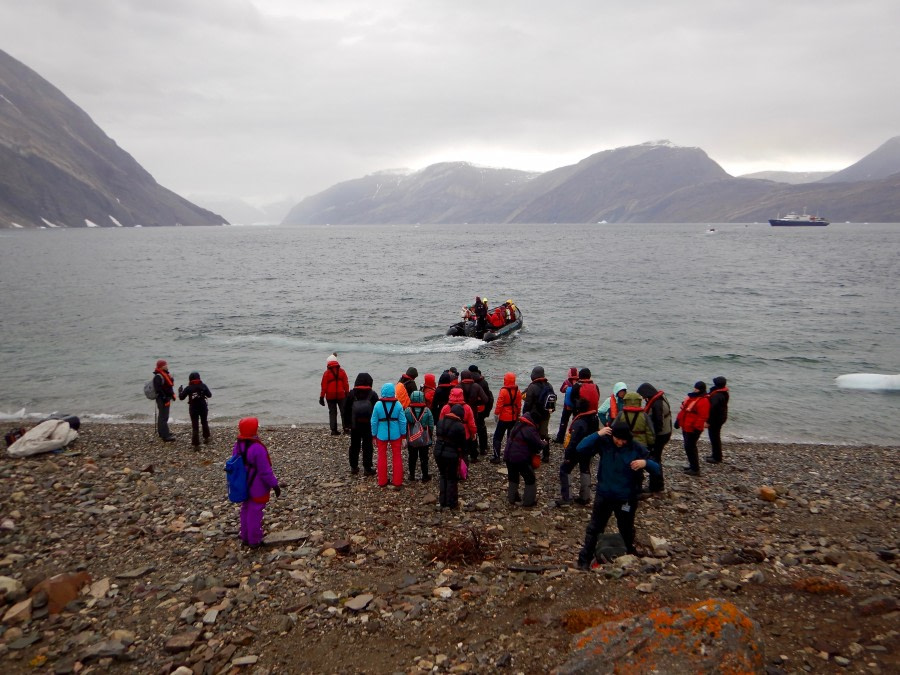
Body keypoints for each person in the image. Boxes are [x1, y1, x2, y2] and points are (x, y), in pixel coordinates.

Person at [574, 422, 660, 568]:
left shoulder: (637, 448)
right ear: (612, 435)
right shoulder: (605, 443)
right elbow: (580, 448)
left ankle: (629, 552)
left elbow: (657, 469)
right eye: (617, 438)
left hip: (626, 498)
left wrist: (645, 463)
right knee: (595, 528)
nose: (620, 442)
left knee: (626, 527)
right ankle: (585, 558)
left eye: (623, 440)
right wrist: (598, 434)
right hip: (604, 495)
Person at [232, 417, 281, 548]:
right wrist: (274, 484)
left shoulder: (238, 445)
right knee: (255, 511)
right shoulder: (257, 448)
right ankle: (254, 540)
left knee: (246, 508)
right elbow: (265, 471)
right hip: (257, 485)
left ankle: (245, 536)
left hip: (243, 483)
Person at [556, 398, 599, 506]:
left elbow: (573, 441)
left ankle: (567, 498)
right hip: (588, 450)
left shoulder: (579, 422)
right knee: (585, 470)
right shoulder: (594, 418)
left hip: (577, 450)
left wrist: (567, 455)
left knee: (564, 470)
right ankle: (585, 497)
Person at [503, 412, 547, 507]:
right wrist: (544, 443)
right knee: (530, 479)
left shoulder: (518, 424)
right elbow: (538, 445)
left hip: (508, 456)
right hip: (520, 458)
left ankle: (512, 498)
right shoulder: (530, 429)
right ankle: (528, 501)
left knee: (513, 477)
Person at [636, 382, 673, 493]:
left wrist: (651, 439)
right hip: (666, 432)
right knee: (656, 458)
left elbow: (658, 424)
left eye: (643, 395)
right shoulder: (660, 398)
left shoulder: (657, 404)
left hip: (661, 435)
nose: (643, 398)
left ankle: (656, 485)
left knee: (654, 459)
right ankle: (657, 484)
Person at [343, 372, 379, 476]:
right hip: (368, 426)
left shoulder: (351, 394)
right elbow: (377, 411)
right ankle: (367, 468)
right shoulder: (373, 394)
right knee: (367, 446)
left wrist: (346, 424)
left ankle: (354, 467)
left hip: (355, 426)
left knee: (354, 445)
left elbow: (345, 410)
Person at [371, 383, 407, 488]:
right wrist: (404, 435)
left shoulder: (377, 405)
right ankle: (397, 481)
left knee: (381, 456)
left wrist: (374, 435)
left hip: (381, 435)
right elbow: (402, 421)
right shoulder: (398, 405)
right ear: (393, 392)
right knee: (397, 456)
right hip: (396, 434)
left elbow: (373, 422)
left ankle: (382, 481)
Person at [433, 404, 467, 509]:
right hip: (451, 455)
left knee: (443, 475)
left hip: (438, 452)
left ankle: (442, 501)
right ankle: (451, 503)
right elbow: (462, 444)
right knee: (452, 478)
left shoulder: (440, 422)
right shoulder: (459, 426)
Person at [674, 381, 710, 476]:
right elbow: (683, 410)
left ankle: (695, 469)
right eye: (694, 388)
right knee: (687, 446)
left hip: (693, 428)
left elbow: (703, 416)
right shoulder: (691, 398)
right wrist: (678, 420)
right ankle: (692, 465)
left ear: (701, 389)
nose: (695, 390)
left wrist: (697, 428)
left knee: (690, 447)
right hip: (686, 426)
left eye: (697, 388)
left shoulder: (704, 401)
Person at [522, 366, 554, 461]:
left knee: (533, 434)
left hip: (534, 415)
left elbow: (528, 403)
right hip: (546, 414)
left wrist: (525, 415)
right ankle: (546, 455)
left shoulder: (532, 387)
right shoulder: (549, 385)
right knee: (544, 434)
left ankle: (533, 453)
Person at [459, 370, 489, 462]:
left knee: (462, 433)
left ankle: (463, 454)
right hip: (473, 412)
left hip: (460, 413)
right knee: (473, 432)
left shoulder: (458, 386)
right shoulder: (476, 386)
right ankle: (473, 456)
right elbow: (485, 400)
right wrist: (477, 401)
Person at [492, 372, 522, 463]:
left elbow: (499, 404)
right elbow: (519, 405)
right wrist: (518, 415)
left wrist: (496, 414)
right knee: (510, 437)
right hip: (513, 417)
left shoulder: (503, 391)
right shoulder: (517, 390)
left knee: (497, 437)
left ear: (505, 380)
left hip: (504, 418)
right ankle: (508, 456)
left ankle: (497, 457)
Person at [405, 391, 435, 482]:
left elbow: (404, 424)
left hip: (412, 437)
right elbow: (431, 424)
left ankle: (412, 475)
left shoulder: (407, 410)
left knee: (412, 457)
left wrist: (405, 435)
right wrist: (430, 435)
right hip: (424, 438)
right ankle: (425, 476)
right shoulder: (427, 410)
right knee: (424, 457)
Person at [178, 371, 212, 449]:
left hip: (193, 408)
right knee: (204, 422)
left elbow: (181, 397)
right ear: (199, 378)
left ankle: (196, 444)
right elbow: (209, 395)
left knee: (195, 425)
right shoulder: (203, 386)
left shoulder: (188, 388)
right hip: (203, 407)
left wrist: (180, 391)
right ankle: (206, 438)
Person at [467, 365, 494, 457]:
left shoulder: (468, 383)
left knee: (472, 428)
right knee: (482, 428)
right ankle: (483, 448)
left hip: (471, 409)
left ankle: (473, 449)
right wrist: (487, 411)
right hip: (481, 409)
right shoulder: (483, 382)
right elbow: (488, 398)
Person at [319, 354, 350, 435]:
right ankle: (346, 428)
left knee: (332, 412)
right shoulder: (342, 371)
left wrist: (321, 397)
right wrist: (347, 393)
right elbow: (346, 384)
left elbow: (323, 386)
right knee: (344, 411)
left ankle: (333, 430)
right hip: (341, 395)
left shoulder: (326, 373)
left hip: (330, 396)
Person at [152, 359, 177, 442]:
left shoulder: (164, 375)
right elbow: (158, 389)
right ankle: (165, 436)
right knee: (164, 417)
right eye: (165, 365)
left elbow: (167, 387)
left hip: (165, 398)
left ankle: (162, 432)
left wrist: (171, 395)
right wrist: (164, 398)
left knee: (162, 416)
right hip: (162, 399)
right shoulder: (158, 376)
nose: (166, 366)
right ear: (161, 366)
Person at [706, 376, 730, 463]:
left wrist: (708, 421)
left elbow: (712, 409)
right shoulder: (724, 393)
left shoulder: (717, 395)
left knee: (714, 437)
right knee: (715, 437)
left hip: (716, 419)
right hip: (721, 417)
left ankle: (717, 457)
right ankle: (715, 455)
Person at [554, 367, 580, 443]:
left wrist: (566, 388)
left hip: (567, 406)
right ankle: (574, 438)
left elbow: (561, 390)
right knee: (575, 422)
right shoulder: (579, 382)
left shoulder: (567, 382)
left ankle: (560, 439)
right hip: (577, 406)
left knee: (564, 422)